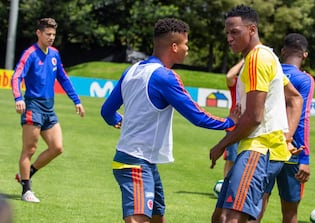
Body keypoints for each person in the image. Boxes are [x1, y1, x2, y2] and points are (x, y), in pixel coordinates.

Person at [100, 18, 239, 223]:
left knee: (158, 219)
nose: (188, 48)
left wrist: (118, 120)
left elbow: (106, 111)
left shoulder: (133, 69)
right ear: (174, 47)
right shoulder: (165, 77)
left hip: (142, 162)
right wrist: (229, 122)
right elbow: (198, 116)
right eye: (185, 44)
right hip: (136, 164)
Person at [209, 5, 303, 223]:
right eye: (227, 33)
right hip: (258, 148)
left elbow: (254, 117)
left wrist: (221, 144)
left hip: (259, 148)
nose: (229, 38)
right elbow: (294, 98)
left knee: (234, 218)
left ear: (251, 29)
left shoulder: (257, 60)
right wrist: (286, 136)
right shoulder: (268, 56)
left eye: (235, 32)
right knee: (221, 216)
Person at [11, 18, 85, 203]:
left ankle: (27, 174)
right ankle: (26, 190)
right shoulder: (30, 54)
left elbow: (63, 78)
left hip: (49, 108)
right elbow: (16, 76)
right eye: (48, 34)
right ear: (39, 33)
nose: (51, 37)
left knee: (57, 147)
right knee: (30, 149)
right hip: (33, 106)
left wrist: (76, 100)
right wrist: (18, 97)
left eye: (53, 34)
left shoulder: (54, 54)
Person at [253, 33, 315, 223]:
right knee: (290, 211)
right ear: (305, 55)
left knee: (257, 205)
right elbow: (303, 117)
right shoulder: (305, 80)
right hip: (291, 149)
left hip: (265, 146)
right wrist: (305, 157)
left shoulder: (271, 71)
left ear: (282, 51)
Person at [223, 59, 244, 177]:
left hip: (250, 126)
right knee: (231, 159)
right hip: (234, 127)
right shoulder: (236, 84)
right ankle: (226, 186)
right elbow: (229, 75)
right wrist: (243, 61)